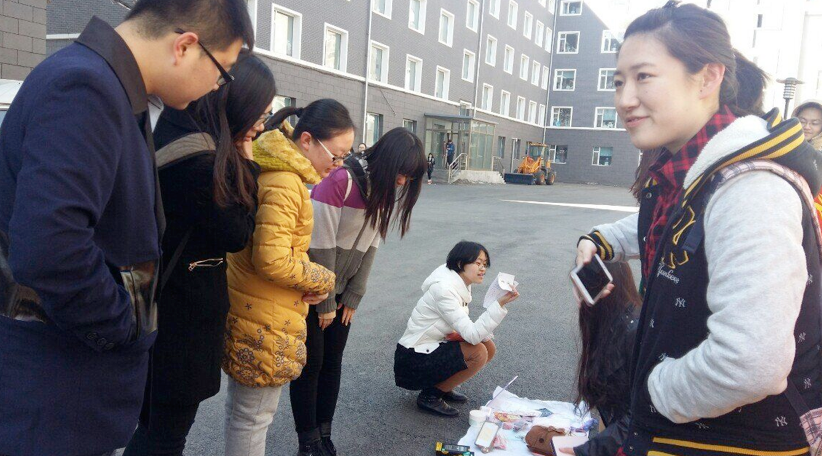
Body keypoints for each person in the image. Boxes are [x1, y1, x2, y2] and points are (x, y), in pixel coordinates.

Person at [0, 0, 252, 454]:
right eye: (223, 70)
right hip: (58, 388)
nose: (218, 85)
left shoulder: (108, 85)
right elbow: (51, 248)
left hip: (65, 384)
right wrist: (123, 327)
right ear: (185, 46)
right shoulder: (87, 87)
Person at [576, 2, 822, 455]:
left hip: (736, 439)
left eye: (644, 76)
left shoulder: (752, 188)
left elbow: (750, 363)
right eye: (618, 81)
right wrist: (602, 239)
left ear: (708, 78)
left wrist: (654, 392)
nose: (624, 99)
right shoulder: (696, 171)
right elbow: (683, 226)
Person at [123, 51, 275, 456]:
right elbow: (237, 232)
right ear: (235, 104)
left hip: (155, 306)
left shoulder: (171, 131)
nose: (261, 126)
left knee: (153, 425)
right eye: (260, 115)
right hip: (180, 321)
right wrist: (248, 161)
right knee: (165, 434)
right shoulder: (201, 162)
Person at [222, 99, 355, 456]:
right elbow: (272, 258)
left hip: (255, 306)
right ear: (307, 140)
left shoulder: (276, 171)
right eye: (336, 155)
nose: (338, 165)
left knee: (242, 413)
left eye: (345, 157)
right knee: (253, 417)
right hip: (265, 316)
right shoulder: (285, 182)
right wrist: (322, 279)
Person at [290, 126, 427, 455]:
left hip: (342, 292)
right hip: (314, 289)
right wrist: (326, 300)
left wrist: (354, 295)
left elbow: (372, 243)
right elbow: (319, 244)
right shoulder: (342, 180)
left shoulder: (382, 188)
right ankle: (308, 441)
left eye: (409, 178)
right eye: (401, 174)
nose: (402, 182)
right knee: (312, 363)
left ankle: (324, 434)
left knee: (333, 361)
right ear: (387, 160)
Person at [394, 241, 520, 417]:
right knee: (478, 352)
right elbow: (473, 335)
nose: (483, 269)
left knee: (488, 346)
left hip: (432, 346)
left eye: (484, 264)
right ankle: (430, 396)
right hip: (413, 359)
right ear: (461, 263)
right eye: (477, 263)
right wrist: (498, 305)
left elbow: (465, 328)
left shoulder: (459, 282)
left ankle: (444, 386)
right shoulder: (444, 289)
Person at [561, 262, 641, 456]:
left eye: (582, 290)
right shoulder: (614, 321)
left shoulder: (634, 332)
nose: (578, 297)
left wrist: (590, 450)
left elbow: (640, 417)